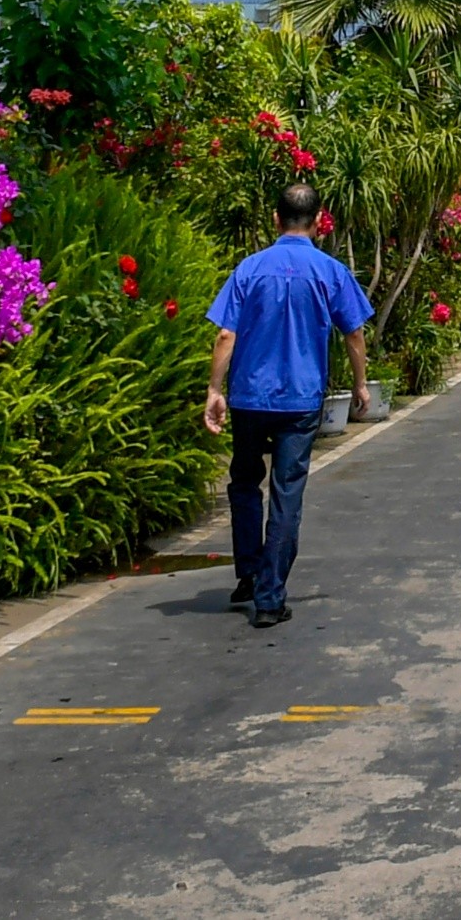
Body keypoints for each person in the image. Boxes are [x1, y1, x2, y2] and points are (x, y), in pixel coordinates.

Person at [202, 178, 372, 629]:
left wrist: (214, 390)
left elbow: (225, 334)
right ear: (319, 222)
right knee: (286, 493)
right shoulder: (331, 272)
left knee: (243, 482)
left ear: (275, 219)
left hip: (250, 396)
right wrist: (360, 384)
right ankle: (270, 598)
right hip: (300, 398)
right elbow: (353, 332)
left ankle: (249, 572)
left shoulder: (250, 269)